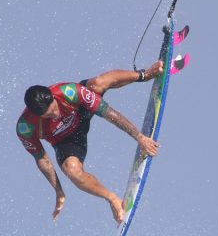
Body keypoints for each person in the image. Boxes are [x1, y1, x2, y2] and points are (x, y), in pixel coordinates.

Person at [16, 60, 163, 224]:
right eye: (50, 115)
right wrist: (58, 191)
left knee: (98, 83)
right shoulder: (26, 128)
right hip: (66, 140)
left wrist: (140, 137)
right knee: (72, 171)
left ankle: (145, 74)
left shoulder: (70, 92)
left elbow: (108, 113)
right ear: (37, 115)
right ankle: (112, 199)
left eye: (54, 107)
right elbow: (42, 160)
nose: (56, 114)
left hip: (80, 113)